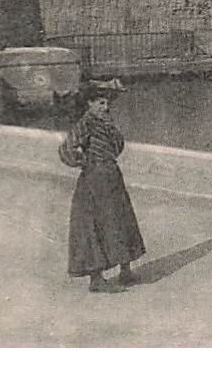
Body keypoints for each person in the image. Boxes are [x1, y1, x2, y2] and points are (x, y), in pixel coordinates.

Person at [67, 79, 146, 292]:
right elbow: (67, 148)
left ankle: (126, 271)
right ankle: (96, 279)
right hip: (94, 179)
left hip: (111, 176)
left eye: (106, 103)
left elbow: (117, 145)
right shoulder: (86, 123)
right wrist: (85, 162)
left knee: (121, 219)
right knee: (97, 224)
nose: (105, 107)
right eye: (100, 103)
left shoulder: (105, 121)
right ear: (89, 104)